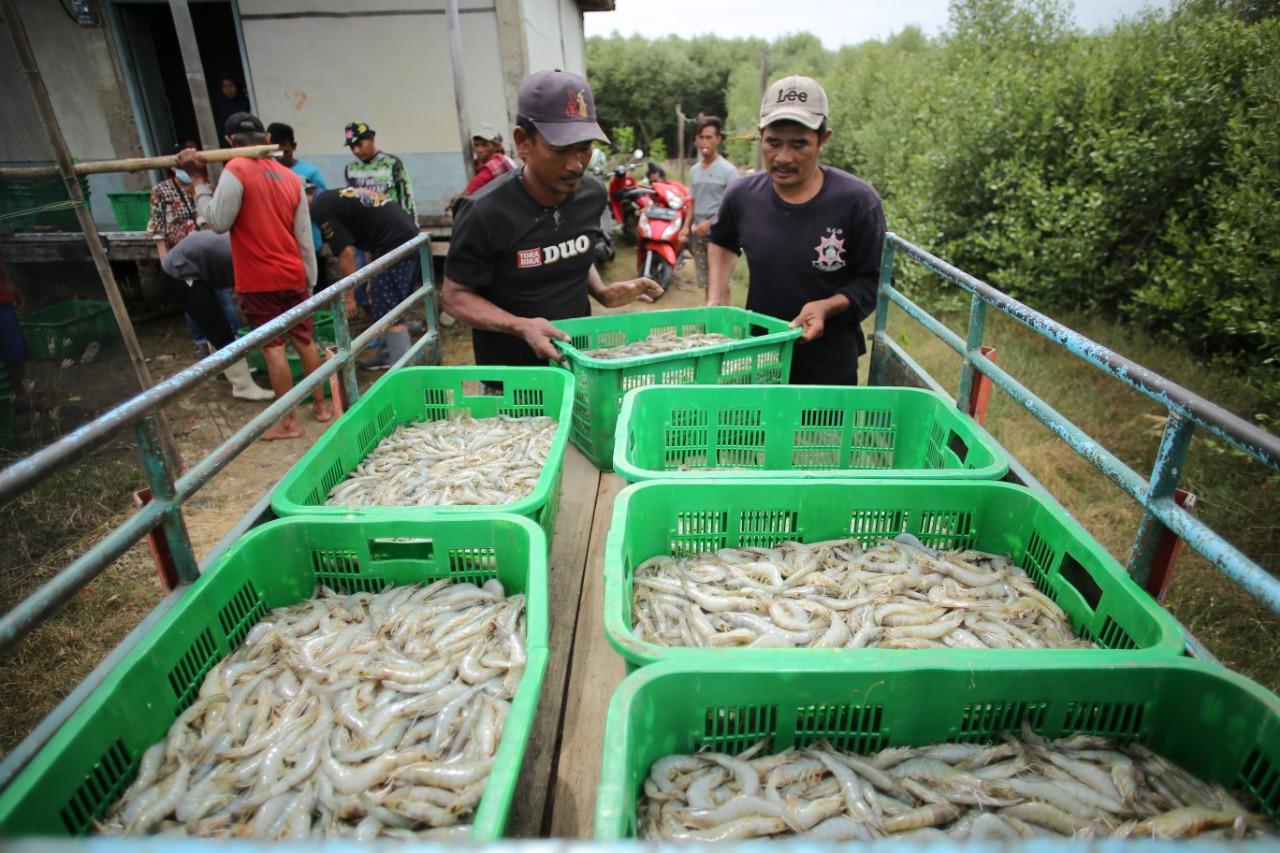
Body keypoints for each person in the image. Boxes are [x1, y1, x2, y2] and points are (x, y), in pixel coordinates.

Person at [441, 69, 663, 366]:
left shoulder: (592, 195)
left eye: (584, 148)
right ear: (523, 142)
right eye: (559, 149)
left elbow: (575, 248)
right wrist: (521, 326)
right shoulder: (484, 212)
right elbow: (454, 297)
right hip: (514, 381)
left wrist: (601, 291)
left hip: (578, 364)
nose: (575, 165)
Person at [706, 75, 886, 386]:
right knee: (755, 433)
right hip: (760, 356)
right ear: (760, 136)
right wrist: (717, 296)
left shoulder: (857, 202)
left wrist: (826, 307)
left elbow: (874, 281)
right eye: (773, 142)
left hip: (829, 363)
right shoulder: (742, 196)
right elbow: (722, 240)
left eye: (799, 143)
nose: (783, 157)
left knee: (819, 435)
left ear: (823, 138)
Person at [177, 112, 333, 440]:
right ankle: (322, 407)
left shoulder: (236, 169)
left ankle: (289, 420)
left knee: (273, 348)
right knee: (305, 341)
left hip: (259, 279)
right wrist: (309, 278)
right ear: (265, 141)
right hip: (293, 273)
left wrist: (199, 183)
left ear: (230, 143)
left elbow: (217, 222)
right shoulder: (290, 177)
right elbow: (304, 234)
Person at [308, 187, 419, 370]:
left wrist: (349, 297)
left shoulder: (321, 208)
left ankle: (403, 370)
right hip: (405, 237)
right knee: (390, 306)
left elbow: (346, 254)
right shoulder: (335, 196)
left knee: (391, 313)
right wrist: (371, 278)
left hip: (394, 244)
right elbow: (368, 234)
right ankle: (387, 356)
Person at [159, 230, 273, 401]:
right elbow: (249, 298)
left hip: (195, 264)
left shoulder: (248, 247)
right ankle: (242, 386)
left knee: (216, 318)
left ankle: (224, 368)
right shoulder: (243, 257)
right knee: (216, 325)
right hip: (179, 274)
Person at [145, 155, 239, 356]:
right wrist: (165, 261)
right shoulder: (162, 191)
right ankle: (204, 345)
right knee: (199, 308)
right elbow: (158, 229)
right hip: (182, 259)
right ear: (172, 166)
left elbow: (214, 217)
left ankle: (235, 343)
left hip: (207, 251)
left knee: (224, 301)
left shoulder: (204, 187)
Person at [682, 116, 738, 290]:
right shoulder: (694, 171)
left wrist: (711, 222)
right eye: (701, 137)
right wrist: (685, 226)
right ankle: (710, 316)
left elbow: (734, 205)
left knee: (722, 283)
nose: (704, 141)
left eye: (709, 137)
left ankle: (726, 317)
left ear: (718, 139)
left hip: (720, 234)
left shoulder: (728, 171)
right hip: (698, 234)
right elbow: (692, 201)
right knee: (706, 283)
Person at [266, 122, 327, 277]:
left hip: (311, 243)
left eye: (284, 151)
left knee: (317, 288)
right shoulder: (265, 174)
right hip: (281, 246)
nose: (279, 157)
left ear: (294, 146)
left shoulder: (310, 173)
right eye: (275, 153)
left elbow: (324, 204)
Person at [343, 122, 416, 221]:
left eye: (359, 144)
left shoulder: (393, 164)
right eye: (352, 147)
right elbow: (350, 201)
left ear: (372, 138)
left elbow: (407, 198)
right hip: (365, 228)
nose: (356, 150)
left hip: (392, 225)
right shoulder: (351, 169)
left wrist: (412, 227)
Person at [461, 124, 516, 196]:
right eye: (476, 145)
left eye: (484, 145)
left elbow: (479, 181)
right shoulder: (479, 163)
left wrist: (459, 198)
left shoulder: (499, 161)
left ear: (497, 146)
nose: (479, 150)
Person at [214, 74, 251, 147]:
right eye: (224, 86)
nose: (228, 89)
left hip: (245, 139)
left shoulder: (246, 102)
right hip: (227, 142)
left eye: (230, 85)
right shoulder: (220, 104)